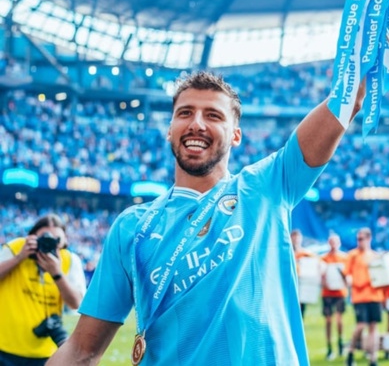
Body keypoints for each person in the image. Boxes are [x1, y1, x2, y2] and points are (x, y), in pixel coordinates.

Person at [49, 71, 364, 365]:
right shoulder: (132, 227)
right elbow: (82, 348)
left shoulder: (268, 185)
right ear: (170, 130)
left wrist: (369, 47)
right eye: (185, 113)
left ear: (236, 135)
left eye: (213, 115)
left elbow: (347, 100)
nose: (196, 123)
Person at [0, 214, 86, 365]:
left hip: (45, 351)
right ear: (32, 237)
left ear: (65, 240)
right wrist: (19, 258)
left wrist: (57, 274)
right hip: (5, 346)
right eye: (45, 238)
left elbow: (76, 303)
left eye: (56, 239)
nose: (50, 243)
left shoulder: (70, 261)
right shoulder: (17, 248)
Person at [345, 227, 384, 366]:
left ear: (369, 239)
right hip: (360, 296)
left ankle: (373, 358)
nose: (358, 242)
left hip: (375, 296)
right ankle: (350, 351)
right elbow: (347, 273)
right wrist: (349, 280)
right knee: (360, 326)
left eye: (361, 239)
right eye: (357, 239)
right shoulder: (352, 255)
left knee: (373, 326)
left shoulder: (375, 256)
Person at [320, 234, 348, 360]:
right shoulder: (324, 258)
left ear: (339, 243)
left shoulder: (344, 258)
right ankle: (329, 347)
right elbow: (319, 274)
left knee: (339, 319)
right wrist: (323, 280)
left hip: (340, 292)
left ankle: (340, 343)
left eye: (335, 242)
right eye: (331, 242)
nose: (333, 245)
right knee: (328, 321)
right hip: (327, 293)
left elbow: (347, 275)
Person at [292, 229, 321, 318]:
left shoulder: (306, 253)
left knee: (301, 307)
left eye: (298, 237)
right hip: (291, 282)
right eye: (294, 237)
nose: (296, 240)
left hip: (303, 282)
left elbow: (317, 262)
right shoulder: (287, 252)